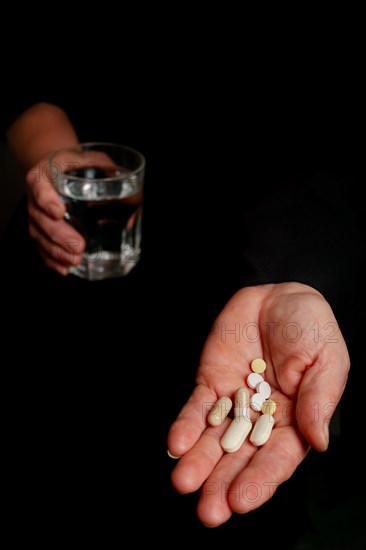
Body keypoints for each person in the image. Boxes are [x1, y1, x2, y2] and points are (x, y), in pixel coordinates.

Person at [3, 99, 362, 539]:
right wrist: (56, 156)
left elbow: (337, 160)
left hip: (238, 301)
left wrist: (296, 278)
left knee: (223, 501)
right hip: (75, 261)